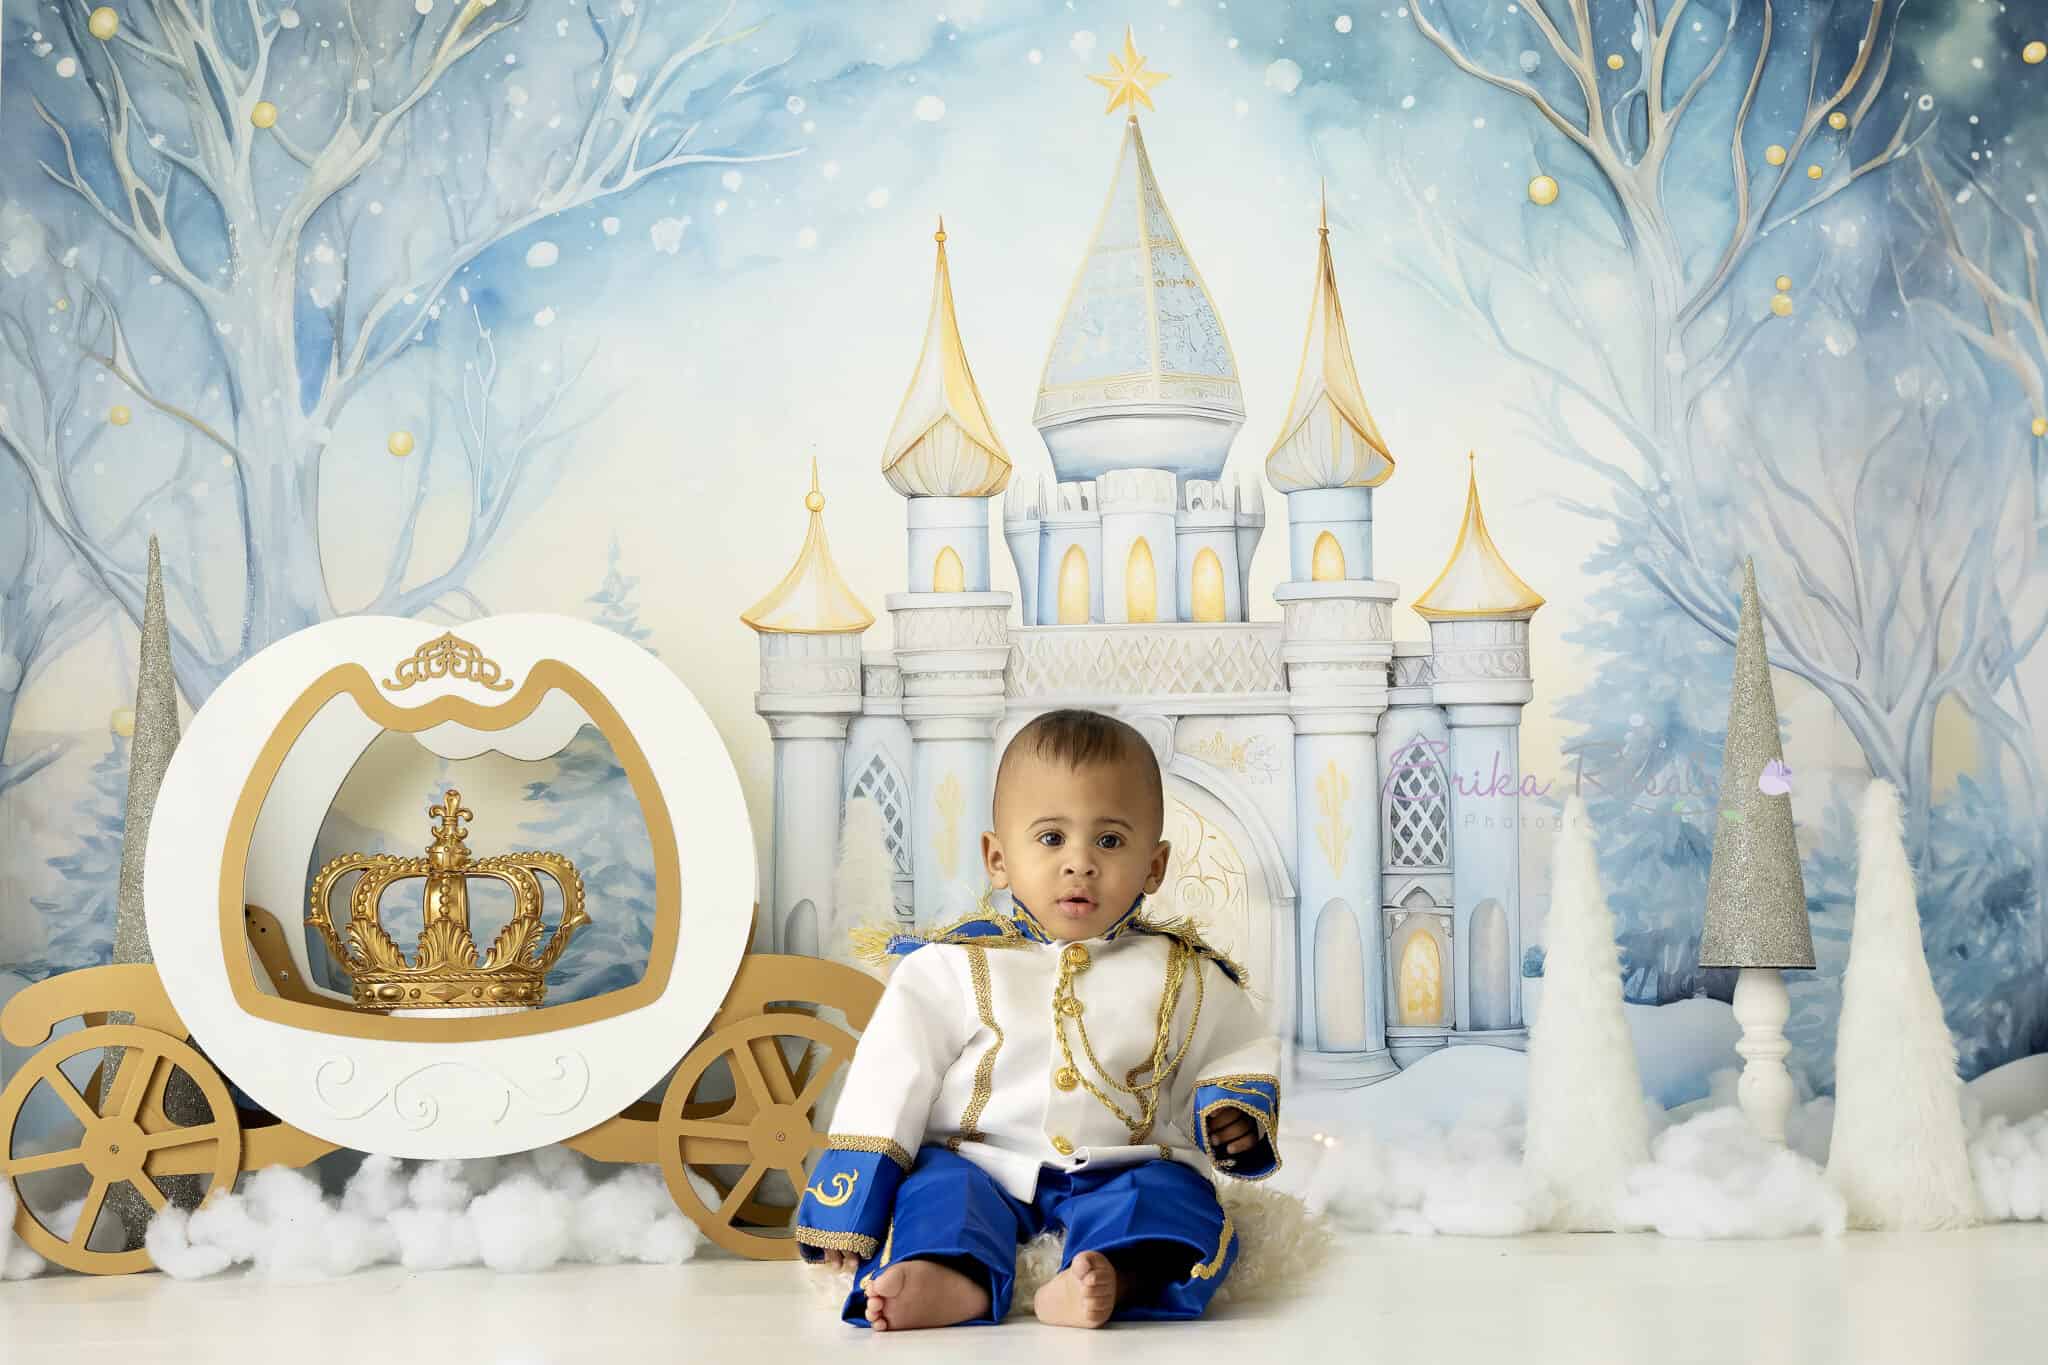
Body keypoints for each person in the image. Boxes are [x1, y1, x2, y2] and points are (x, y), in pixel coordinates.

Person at [796, 708, 1280, 1330]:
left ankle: (1111, 1277)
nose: (1080, 863)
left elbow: (1234, 1049)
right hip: (981, 1163)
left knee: (1171, 1200)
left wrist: (1229, 1112)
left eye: (1110, 841)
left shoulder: (1185, 972)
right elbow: (889, 1080)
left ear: (1154, 867)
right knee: (938, 1193)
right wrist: (849, 1207)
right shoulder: (951, 965)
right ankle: (950, 1278)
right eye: (1052, 838)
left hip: (1123, 1165)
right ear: (998, 858)